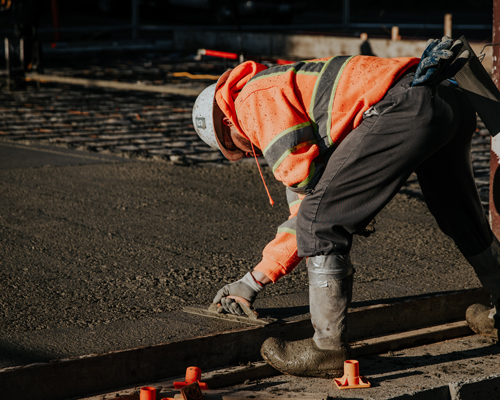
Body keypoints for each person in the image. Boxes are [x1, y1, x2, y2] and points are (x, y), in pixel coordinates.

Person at [191, 37, 500, 378]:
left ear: (227, 124)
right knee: (459, 214)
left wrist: (252, 281)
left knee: (321, 222)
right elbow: (308, 200)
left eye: (237, 147)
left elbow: (310, 212)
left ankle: (326, 349)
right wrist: (253, 282)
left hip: (406, 104)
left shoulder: (253, 103)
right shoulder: (284, 87)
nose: (250, 152)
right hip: (447, 99)